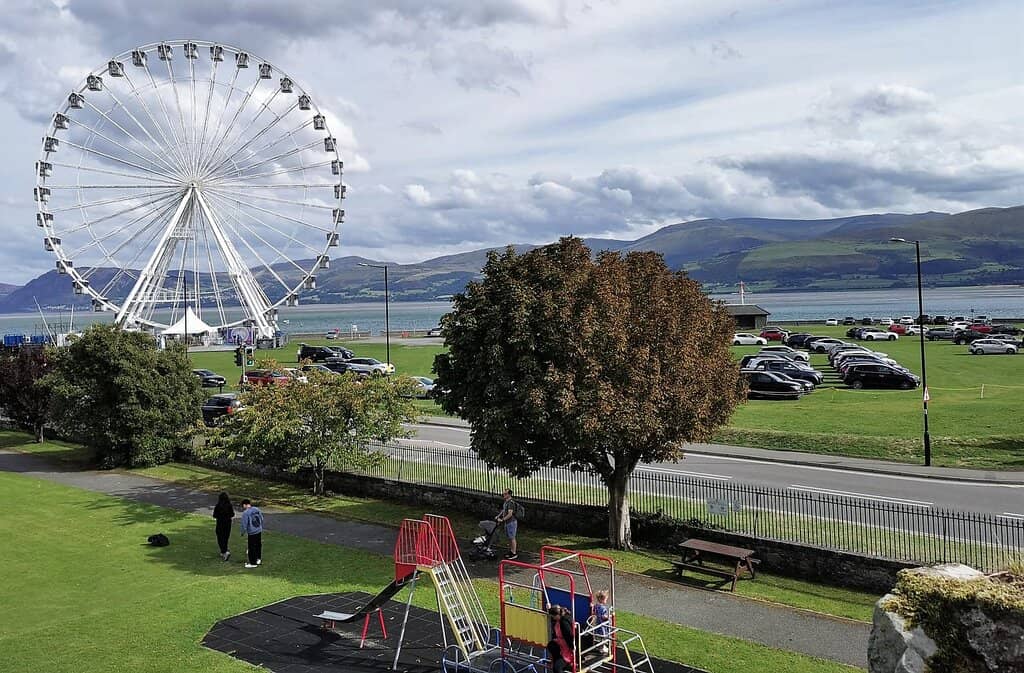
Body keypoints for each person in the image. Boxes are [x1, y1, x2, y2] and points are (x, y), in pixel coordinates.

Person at [547, 605, 574, 673]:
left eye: (553, 617)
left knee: (557, 669)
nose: (553, 618)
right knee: (551, 645)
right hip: (562, 646)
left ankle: (561, 662)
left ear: (556, 615)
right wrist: (548, 608)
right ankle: (557, 660)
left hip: (567, 650)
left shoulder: (564, 622)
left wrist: (572, 647)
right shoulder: (562, 617)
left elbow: (569, 635)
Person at [239, 499, 264, 569]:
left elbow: (244, 524)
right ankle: (258, 558)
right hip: (258, 530)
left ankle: (253, 563)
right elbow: (261, 518)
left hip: (252, 532)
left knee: (251, 547)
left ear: (244, 505)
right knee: (258, 545)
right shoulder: (257, 509)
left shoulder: (245, 513)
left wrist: (242, 532)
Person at [495, 489, 518, 559]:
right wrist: (498, 516)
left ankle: (514, 553)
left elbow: (510, 514)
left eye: (505, 494)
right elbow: (503, 510)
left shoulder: (511, 503)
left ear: (509, 495)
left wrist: (502, 520)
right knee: (509, 537)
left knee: (512, 537)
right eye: (503, 494)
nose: (503, 495)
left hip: (511, 522)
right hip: (507, 522)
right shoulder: (506, 502)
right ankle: (511, 551)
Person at [212, 492, 235, 561]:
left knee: (220, 537)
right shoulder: (229, 505)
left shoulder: (218, 506)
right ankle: (224, 550)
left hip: (220, 523)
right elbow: (232, 514)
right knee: (226, 537)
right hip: (228, 523)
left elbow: (214, 515)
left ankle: (224, 551)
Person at [592, 589, 611, 655]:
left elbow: (594, 612)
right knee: (603, 636)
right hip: (602, 625)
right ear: (602, 599)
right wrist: (609, 616)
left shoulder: (596, 605)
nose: (606, 601)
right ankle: (602, 647)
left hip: (597, 623)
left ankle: (600, 646)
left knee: (599, 636)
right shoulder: (603, 608)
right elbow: (603, 617)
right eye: (606, 599)